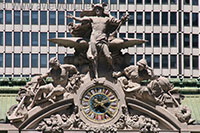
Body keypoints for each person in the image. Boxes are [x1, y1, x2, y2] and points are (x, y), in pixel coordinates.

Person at [67, 4, 128, 78]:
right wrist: (73, 17)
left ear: (102, 10)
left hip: (103, 39)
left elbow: (117, 22)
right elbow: (83, 19)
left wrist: (121, 19)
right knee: (94, 57)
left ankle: (112, 68)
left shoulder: (106, 19)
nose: (97, 10)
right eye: (96, 9)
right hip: (93, 39)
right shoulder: (92, 18)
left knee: (108, 56)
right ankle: (96, 74)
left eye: (98, 9)